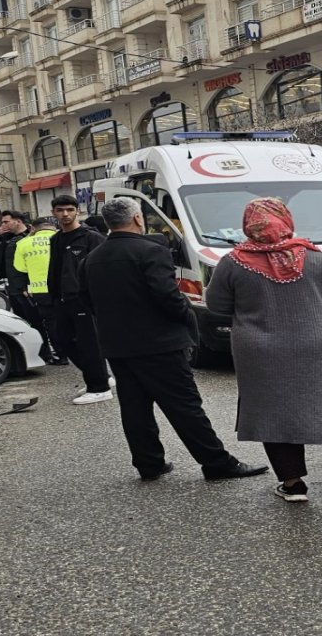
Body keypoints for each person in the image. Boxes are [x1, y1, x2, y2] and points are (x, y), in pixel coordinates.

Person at [83, 197, 267, 482]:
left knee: (134, 406)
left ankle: (148, 463)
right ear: (137, 219)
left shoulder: (92, 258)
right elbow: (167, 295)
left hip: (117, 343)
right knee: (185, 405)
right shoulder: (151, 251)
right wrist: (186, 316)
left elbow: (88, 301)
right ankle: (216, 463)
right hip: (159, 343)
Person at [206, 198, 322, 502]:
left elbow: (216, 306)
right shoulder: (317, 258)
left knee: (274, 415)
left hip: (261, 352)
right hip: (320, 346)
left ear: (250, 224)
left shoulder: (233, 262)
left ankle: (293, 484)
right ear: (286, 219)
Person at [46, 195, 113, 404]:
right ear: (53, 213)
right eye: (60, 210)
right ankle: (99, 375)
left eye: (69, 210)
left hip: (84, 299)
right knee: (62, 340)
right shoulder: (56, 239)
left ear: (77, 211)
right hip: (63, 299)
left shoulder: (91, 237)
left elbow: (104, 268)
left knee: (89, 343)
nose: (65, 214)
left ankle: (99, 386)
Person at [15, 217, 66, 365]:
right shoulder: (62, 238)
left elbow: (20, 267)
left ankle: (61, 356)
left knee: (51, 323)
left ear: (32, 228)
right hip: (64, 287)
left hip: (40, 289)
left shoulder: (22, 243)